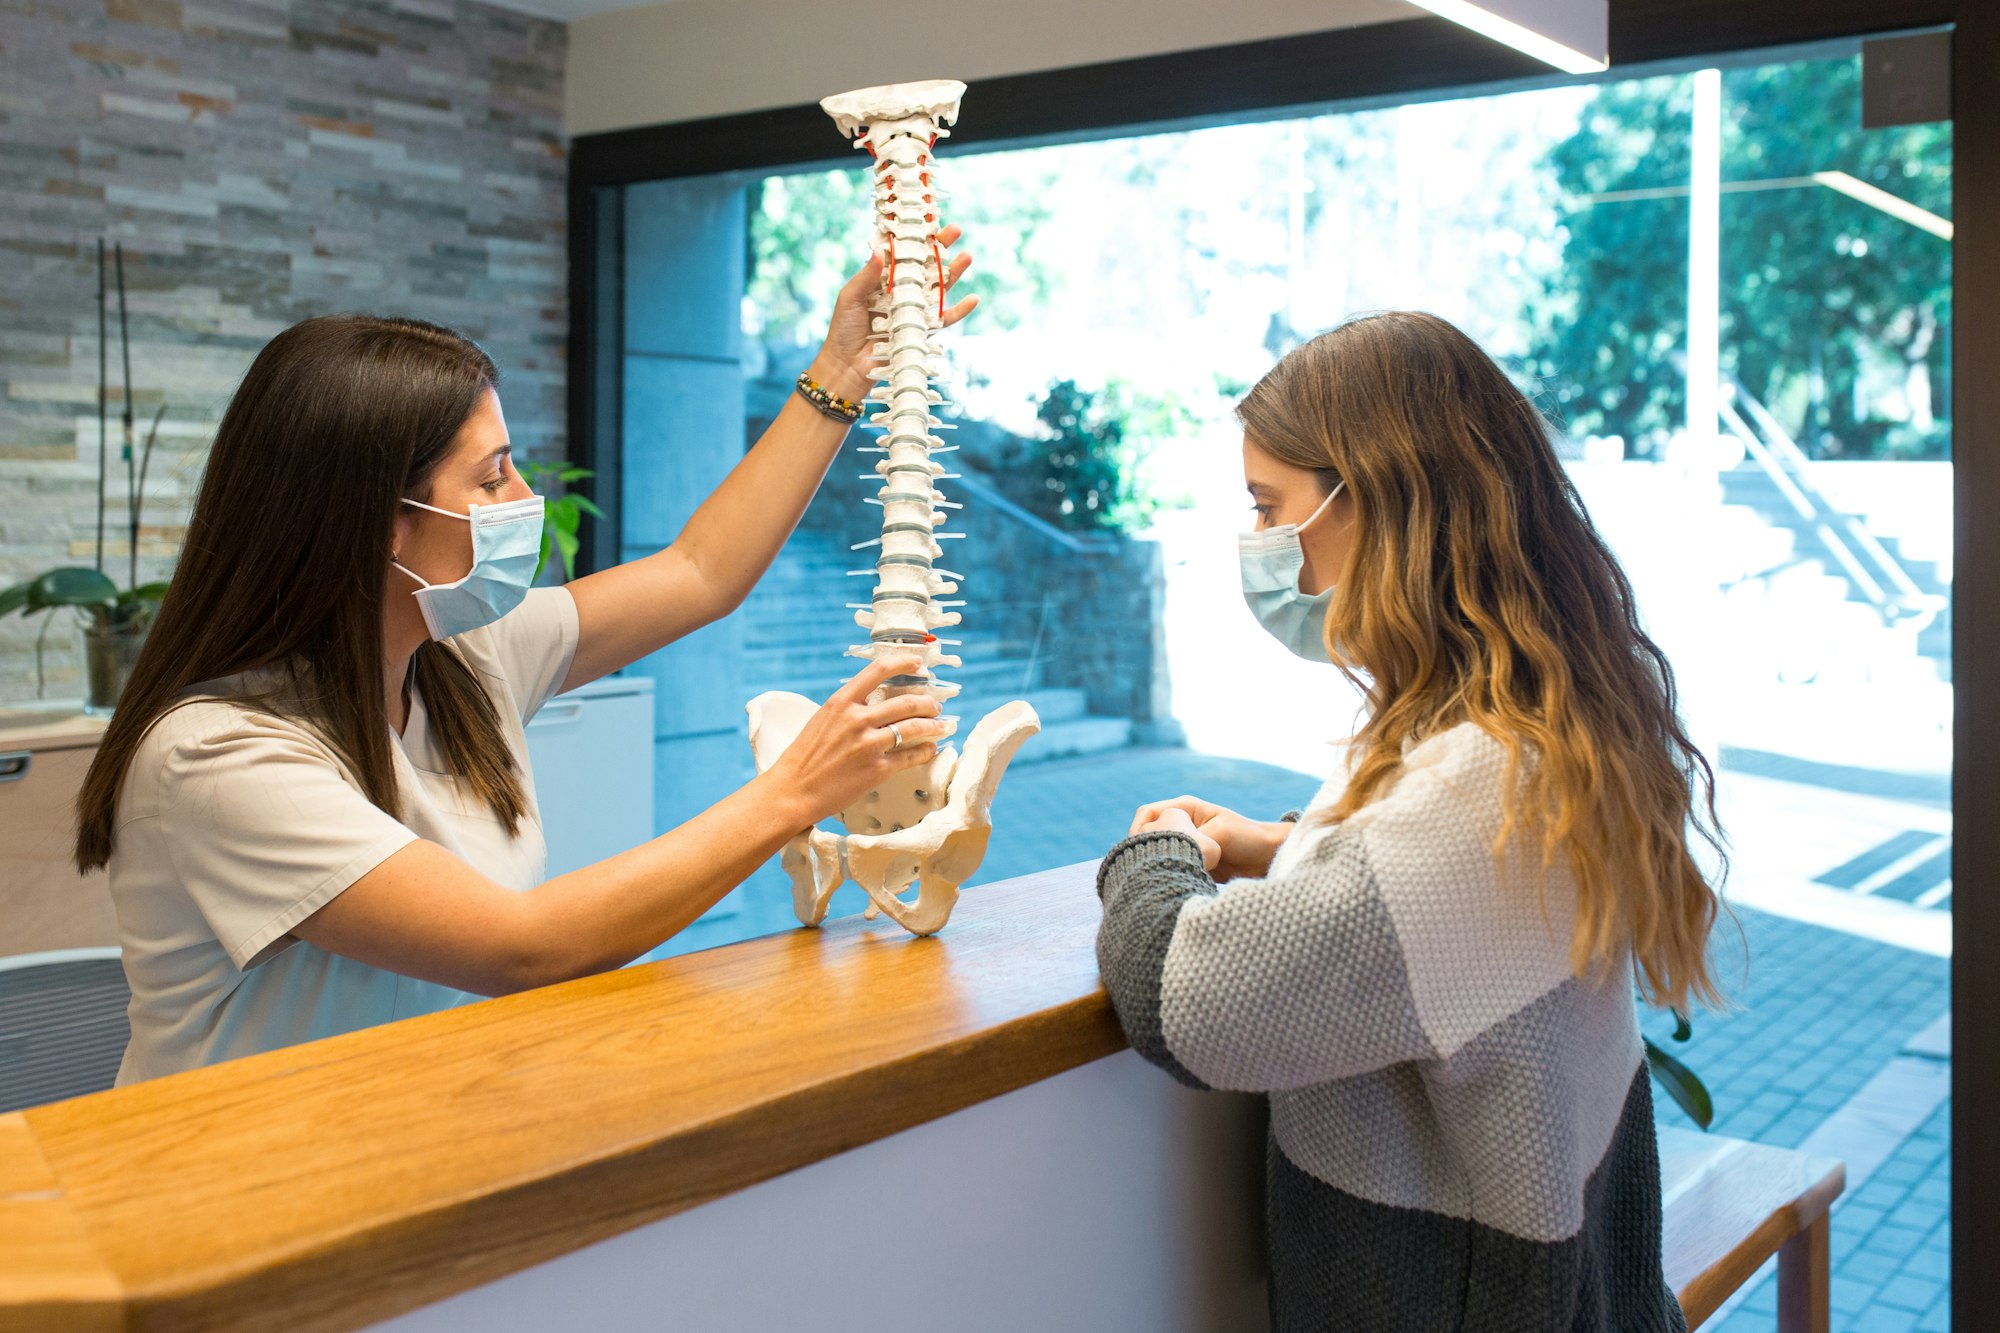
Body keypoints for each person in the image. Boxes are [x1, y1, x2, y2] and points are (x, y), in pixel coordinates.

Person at [77, 234, 975, 1084]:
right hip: (228, 1196)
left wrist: (840, 373)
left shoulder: (458, 657)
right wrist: (793, 793)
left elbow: (701, 572)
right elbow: (522, 945)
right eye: (492, 475)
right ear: (376, 520)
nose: (525, 497)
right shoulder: (215, 756)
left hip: (415, 1149)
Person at [1094, 311, 1723, 1331]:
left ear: (1377, 501)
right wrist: (1284, 844)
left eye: (1269, 506)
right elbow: (1429, 915)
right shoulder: (1534, 723)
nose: (1257, 543)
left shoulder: (1484, 783)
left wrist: (1152, 852)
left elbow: (1184, 1001)